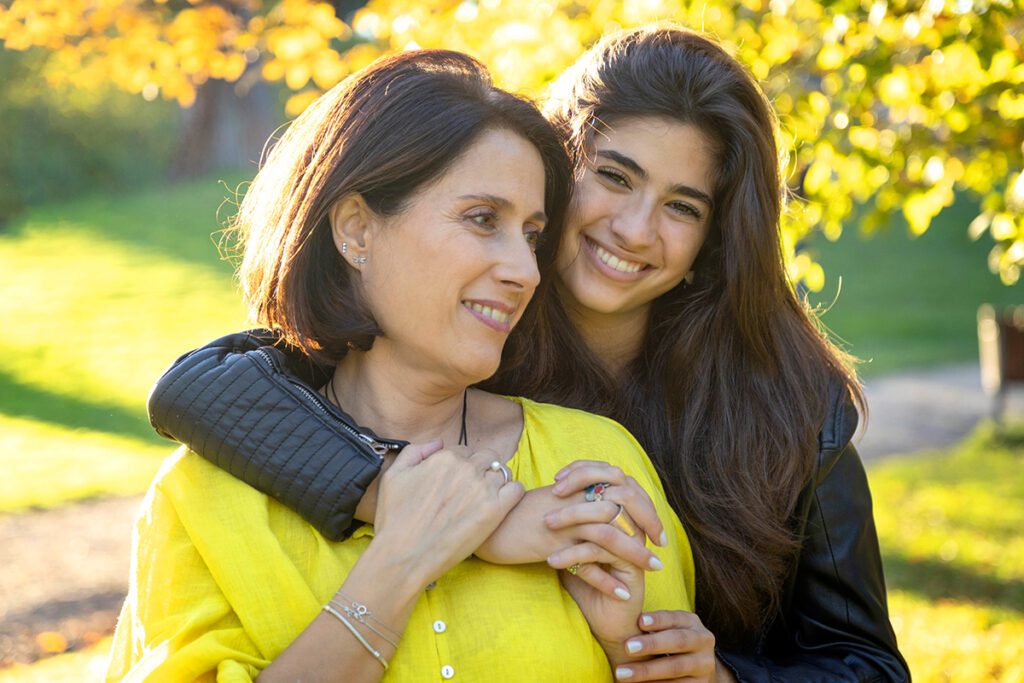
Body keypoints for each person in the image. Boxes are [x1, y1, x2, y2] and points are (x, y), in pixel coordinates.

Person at [144, 25, 910, 682]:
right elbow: (203, 390)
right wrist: (431, 504)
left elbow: (867, 662)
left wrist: (715, 673)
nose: (636, 230)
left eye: (682, 206)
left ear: (714, 240)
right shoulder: (455, 338)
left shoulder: (783, 400)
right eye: (613, 177)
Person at [105, 49, 697, 682]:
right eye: (481, 219)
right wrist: (402, 562)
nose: (525, 271)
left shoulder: (594, 468)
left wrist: (625, 652)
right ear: (357, 231)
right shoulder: (205, 499)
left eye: (530, 234)